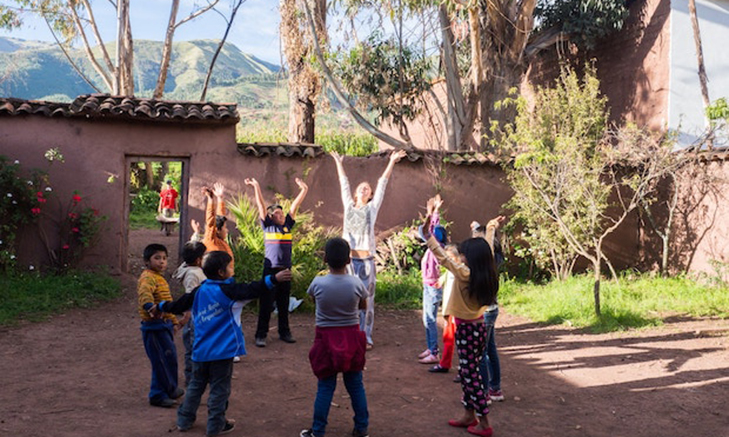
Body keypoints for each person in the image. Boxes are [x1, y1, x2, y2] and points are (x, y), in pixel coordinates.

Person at [152, 251, 292, 436]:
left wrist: (161, 307)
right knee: (219, 391)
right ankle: (215, 426)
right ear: (221, 272)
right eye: (230, 266)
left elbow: (180, 304)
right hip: (222, 353)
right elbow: (253, 288)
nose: (232, 268)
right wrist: (274, 279)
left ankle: (184, 420)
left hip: (200, 351)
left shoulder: (200, 290)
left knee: (195, 386)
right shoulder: (229, 292)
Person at [422, 215, 505, 437]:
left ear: (471, 259)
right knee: (470, 370)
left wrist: (428, 237)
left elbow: (443, 258)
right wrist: (490, 229)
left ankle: (484, 421)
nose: (461, 257)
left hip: (468, 330)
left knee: (470, 374)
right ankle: (469, 414)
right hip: (475, 329)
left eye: (464, 254)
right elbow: (486, 249)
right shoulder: (485, 271)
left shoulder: (465, 274)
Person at [330, 149, 407, 349]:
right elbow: (343, 184)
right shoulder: (348, 206)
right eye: (361, 188)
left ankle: (366, 337)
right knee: (347, 300)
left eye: (368, 189)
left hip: (366, 262)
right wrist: (339, 162)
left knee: (367, 301)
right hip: (348, 262)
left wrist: (391, 161)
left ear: (371, 195)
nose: (364, 190)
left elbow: (383, 184)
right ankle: (348, 335)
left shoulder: (371, 209)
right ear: (356, 193)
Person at [300, 237, 369, 437]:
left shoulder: (318, 283)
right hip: (351, 337)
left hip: (325, 339)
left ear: (325, 260)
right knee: (355, 385)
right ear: (349, 260)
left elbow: (315, 301)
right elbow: (363, 307)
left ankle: (318, 431)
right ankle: (362, 428)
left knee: (325, 386)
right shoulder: (356, 283)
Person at [244, 176, 308, 346]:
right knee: (266, 304)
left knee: (283, 303)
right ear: (271, 216)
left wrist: (303, 190)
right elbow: (260, 206)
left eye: (281, 212)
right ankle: (261, 335)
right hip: (270, 270)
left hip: (285, 270)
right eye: (277, 213)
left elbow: (295, 207)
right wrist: (256, 185)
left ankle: (284, 332)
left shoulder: (287, 225)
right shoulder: (268, 226)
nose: (281, 214)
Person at [137, 243, 184, 408]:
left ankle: (169, 389)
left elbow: (166, 303)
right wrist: (149, 307)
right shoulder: (147, 277)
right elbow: (144, 294)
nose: (162, 262)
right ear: (146, 261)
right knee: (161, 361)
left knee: (169, 359)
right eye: (157, 258)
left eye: (164, 258)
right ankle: (158, 394)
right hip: (153, 327)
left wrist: (174, 321)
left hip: (164, 326)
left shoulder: (159, 278)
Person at [471, 221, 505, 402]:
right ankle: (495, 389)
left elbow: (487, 246)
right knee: (490, 349)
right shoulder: (490, 263)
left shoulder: (487, 261)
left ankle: (484, 393)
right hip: (491, 309)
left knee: (481, 353)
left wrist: (491, 228)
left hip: (485, 312)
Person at [417, 194, 447, 365]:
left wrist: (432, 213)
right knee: (426, 318)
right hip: (427, 285)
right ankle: (430, 348)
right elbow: (429, 229)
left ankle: (434, 351)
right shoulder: (433, 247)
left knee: (430, 318)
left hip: (433, 287)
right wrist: (434, 211)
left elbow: (426, 230)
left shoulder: (437, 250)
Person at [172, 238, 207, 387]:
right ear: (198, 259)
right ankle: (192, 378)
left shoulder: (187, 267)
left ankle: (194, 377)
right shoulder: (193, 274)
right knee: (193, 349)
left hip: (197, 316)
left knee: (194, 347)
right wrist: (185, 318)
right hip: (193, 317)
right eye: (204, 256)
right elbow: (189, 298)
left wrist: (194, 236)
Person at [428, 244, 459, 375]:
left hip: (455, 310)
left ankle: (463, 369)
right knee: (448, 338)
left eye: (450, 257)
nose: (447, 260)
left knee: (460, 340)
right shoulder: (450, 271)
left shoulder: (460, 271)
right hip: (448, 309)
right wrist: (440, 280)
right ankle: (445, 363)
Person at [201, 183, 234, 262]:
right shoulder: (211, 239)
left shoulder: (221, 241)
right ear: (217, 230)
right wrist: (211, 199)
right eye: (225, 228)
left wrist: (220, 198)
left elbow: (220, 218)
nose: (227, 230)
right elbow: (211, 221)